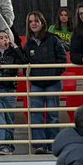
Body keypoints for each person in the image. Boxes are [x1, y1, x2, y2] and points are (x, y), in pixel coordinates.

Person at [24, 11, 68, 153]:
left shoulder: (53, 39)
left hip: (52, 84)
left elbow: (62, 61)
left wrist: (52, 75)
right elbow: (25, 62)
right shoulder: (28, 43)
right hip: (36, 83)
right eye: (31, 22)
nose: (34, 24)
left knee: (52, 116)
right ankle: (39, 146)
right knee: (36, 114)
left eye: (36, 21)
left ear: (42, 23)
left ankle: (52, 146)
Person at [0, 30, 27, 155]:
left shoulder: (14, 53)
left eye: (6, 37)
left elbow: (24, 60)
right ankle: (3, 146)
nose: (5, 40)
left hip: (10, 90)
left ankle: (9, 146)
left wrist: (16, 46)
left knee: (9, 120)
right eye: (1, 38)